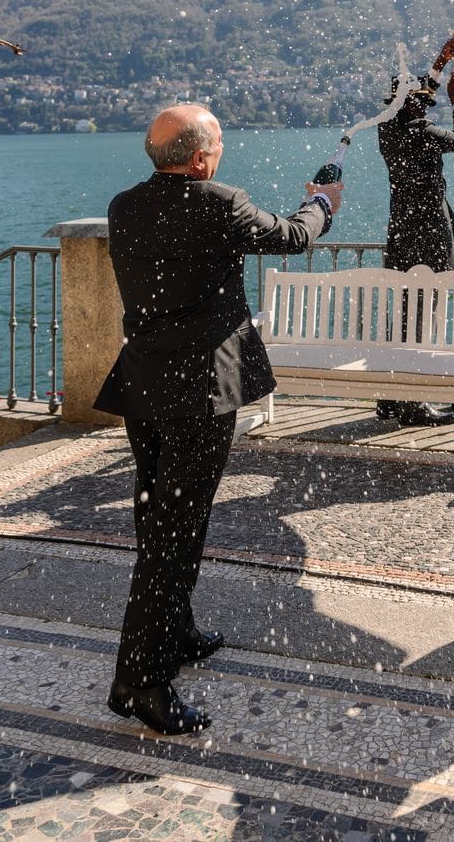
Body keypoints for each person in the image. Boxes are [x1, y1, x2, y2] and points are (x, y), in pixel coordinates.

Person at [96, 103, 342, 735]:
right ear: (201, 158)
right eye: (221, 144)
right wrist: (323, 201)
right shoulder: (218, 202)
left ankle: (173, 631)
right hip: (198, 391)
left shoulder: (125, 206)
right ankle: (140, 682)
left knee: (157, 513)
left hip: (144, 385)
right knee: (176, 530)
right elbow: (292, 236)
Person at [376, 37, 454, 427]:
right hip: (429, 232)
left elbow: (415, 96)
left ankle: (390, 397)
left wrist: (438, 64)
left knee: (400, 314)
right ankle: (414, 403)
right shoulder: (424, 134)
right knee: (421, 316)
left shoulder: (390, 131)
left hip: (400, 231)